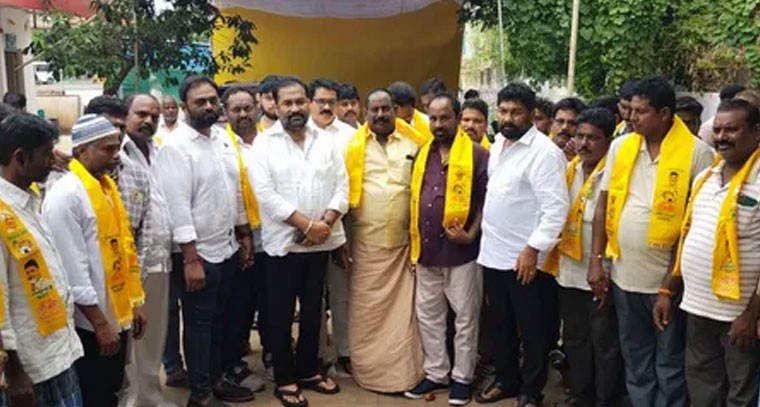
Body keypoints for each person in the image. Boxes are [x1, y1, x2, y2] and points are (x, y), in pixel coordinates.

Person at [589, 76, 714, 407]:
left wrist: (668, 287)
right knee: (635, 356)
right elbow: (604, 205)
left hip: (666, 283)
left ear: (665, 113)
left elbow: (693, 225)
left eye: (640, 112)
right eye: (630, 110)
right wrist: (596, 261)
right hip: (623, 277)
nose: (631, 117)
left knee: (669, 361)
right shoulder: (621, 146)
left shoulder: (698, 153)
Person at [156, 75, 255, 407]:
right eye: (200, 101)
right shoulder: (175, 147)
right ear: (185, 105)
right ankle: (200, 395)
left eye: (213, 100)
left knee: (219, 320)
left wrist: (244, 234)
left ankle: (216, 380)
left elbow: (235, 191)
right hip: (198, 254)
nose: (209, 106)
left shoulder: (222, 139)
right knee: (199, 326)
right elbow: (177, 206)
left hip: (226, 247)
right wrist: (191, 259)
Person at [655, 99, 760, 407]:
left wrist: (751, 315)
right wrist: (668, 290)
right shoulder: (705, 178)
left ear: (756, 132)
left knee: (740, 391)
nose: (722, 137)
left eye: (732, 130)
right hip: (698, 307)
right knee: (702, 384)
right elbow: (687, 237)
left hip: (739, 315)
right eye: (717, 130)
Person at [249, 76, 346, 407]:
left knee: (313, 311)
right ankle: (285, 378)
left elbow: (342, 185)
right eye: (287, 103)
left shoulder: (326, 140)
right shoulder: (264, 144)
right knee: (279, 312)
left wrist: (325, 224)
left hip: (319, 242)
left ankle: (307, 370)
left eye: (300, 101)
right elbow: (265, 195)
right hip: (283, 245)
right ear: (275, 106)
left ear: (309, 103)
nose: (294, 108)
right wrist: (306, 225)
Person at [43, 114, 148, 407]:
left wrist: (134, 305)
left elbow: (122, 249)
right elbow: (72, 270)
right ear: (82, 151)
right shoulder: (66, 195)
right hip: (89, 322)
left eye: (117, 147)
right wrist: (100, 323)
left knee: (112, 388)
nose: (116, 156)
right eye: (107, 149)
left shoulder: (105, 188)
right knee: (94, 392)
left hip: (116, 313)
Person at [475, 82, 569, 407]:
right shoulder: (498, 144)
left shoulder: (545, 153)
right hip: (493, 253)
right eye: (503, 111)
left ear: (531, 114)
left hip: (526, 259)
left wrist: (532, 249)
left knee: (532, 329)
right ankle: (506, 379)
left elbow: (556, 209)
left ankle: (531, 391)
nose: (507, 118)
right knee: (499, 324)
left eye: (515, 112)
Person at [403, 93, 488, 406]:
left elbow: (485, 201)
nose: (438, 124)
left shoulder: (477, 155)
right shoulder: (422, 153)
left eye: (445, 118)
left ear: (457, 118)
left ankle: (462, 377)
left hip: (461, 254)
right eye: (434, 118)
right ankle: (436, 372)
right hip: (426, 251)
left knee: (465, 317)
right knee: (429, 316)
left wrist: (471, 233)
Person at [344, 88, 427, 392]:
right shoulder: (352, 146)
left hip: (404, 247)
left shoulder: (415, 142)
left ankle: (403, 375)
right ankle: (369, 372)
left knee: (405, 315)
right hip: (365, 246)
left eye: (386, 109)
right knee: (367, 313)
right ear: (365, 113)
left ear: (395, 110)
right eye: (374, 110)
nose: (380, 115)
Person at [0, 113, 85, 406]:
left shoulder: (29, 200)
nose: (53, 161)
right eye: (47, 154)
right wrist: (14, 371)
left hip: (56, 351)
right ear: (21, 158)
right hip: (29, 367)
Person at [546, 108, 624, 407]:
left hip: (601, 272)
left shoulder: (614, 174)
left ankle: (605, 400)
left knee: (604, 342)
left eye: (592, 138)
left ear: (608, 142)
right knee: (576, 339)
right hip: (569, 270)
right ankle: (580, 396)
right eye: (580, 136)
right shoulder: (570, 170)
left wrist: (602, 267)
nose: (583, 143)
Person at [117, 94, 176, 407]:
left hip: (159, 258)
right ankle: (130, 401)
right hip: (129, 262)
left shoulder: (160, 150)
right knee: (129, 338)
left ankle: (151, 397)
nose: (148, 121)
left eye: (154, 115)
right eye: (141, 114)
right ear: (126, 115)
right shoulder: (116, 152)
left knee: (154, 335)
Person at [219, 85, 267, 393]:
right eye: (236, 109)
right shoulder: (220, 144)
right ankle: (233, 363)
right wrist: (243, 233)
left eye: (248, 108)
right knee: (238, 305)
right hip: (239, 239)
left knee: (270, 302)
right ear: (226, 113)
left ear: (257, 108)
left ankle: (273, 355)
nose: (243, 114)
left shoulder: (271, 141)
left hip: (273, 237)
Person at [307, 78, 355, 376]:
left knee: (341, 292)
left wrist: (334, 226)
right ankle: (317, 353)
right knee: (313, 296)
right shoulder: (297, 134)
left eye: (331, 102)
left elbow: (349, 185)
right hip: (305, 231)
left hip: (341, 227)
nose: (326, 106)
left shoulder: (351, 136)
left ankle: (345, 351)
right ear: (310, 103)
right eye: (321, 101)